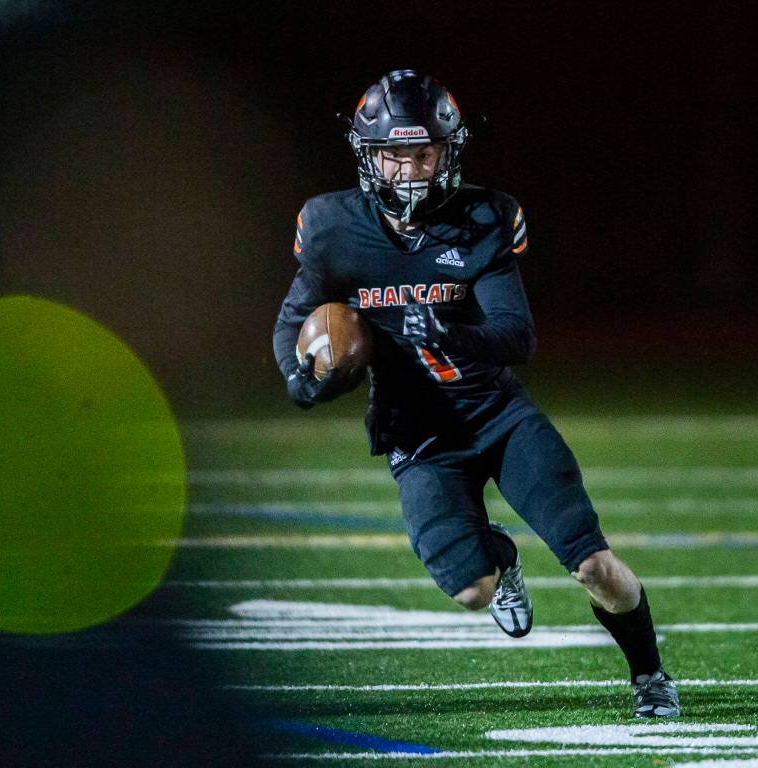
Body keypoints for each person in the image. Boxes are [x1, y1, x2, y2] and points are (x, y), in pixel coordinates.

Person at [272, 69, 680, 718]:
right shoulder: (331, 228)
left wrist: (436, 328)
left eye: (424, 153)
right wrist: (302, 378)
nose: (410, 170)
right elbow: (295, 322)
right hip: (418, 434)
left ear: (449, 152)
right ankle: (502, 557)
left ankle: (650, 676)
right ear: (369, 157)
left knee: (594, 564)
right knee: (472, 591)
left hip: (499, 418)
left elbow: (517, 336)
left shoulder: (483, 218)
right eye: (395, 154)